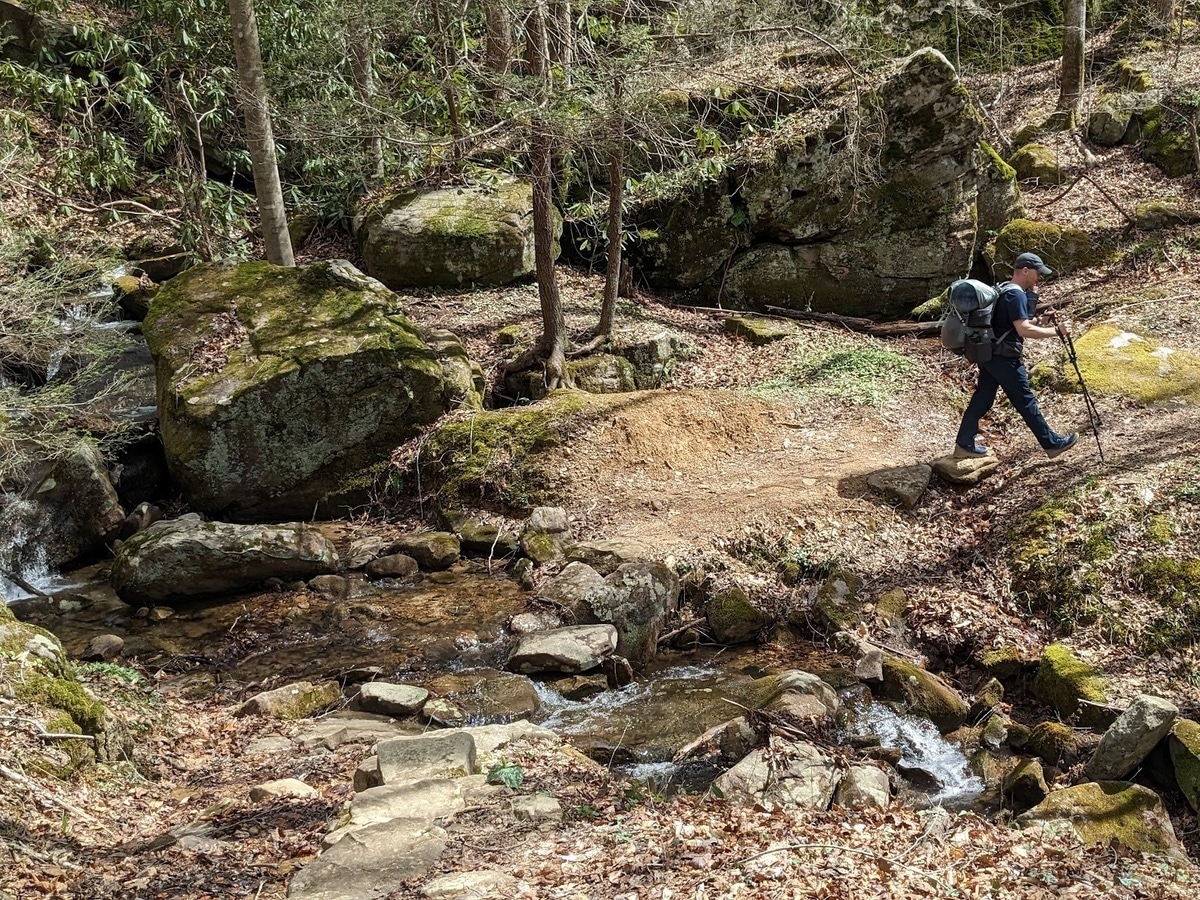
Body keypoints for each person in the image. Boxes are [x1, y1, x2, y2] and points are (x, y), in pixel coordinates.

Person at [954, 252, 1078, 459]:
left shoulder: (1003, 289)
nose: (1039, 277)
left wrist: (1041, 321)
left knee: (982, 399)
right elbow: (1022, 330)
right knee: (1026, 401)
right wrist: (1056, 332)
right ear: (1025, 270)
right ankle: (1052, 444)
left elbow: (1011, 325)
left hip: (990, 354)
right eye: (1037, 273)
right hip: (1004, 358)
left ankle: (964, 445)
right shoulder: (1016, 294)